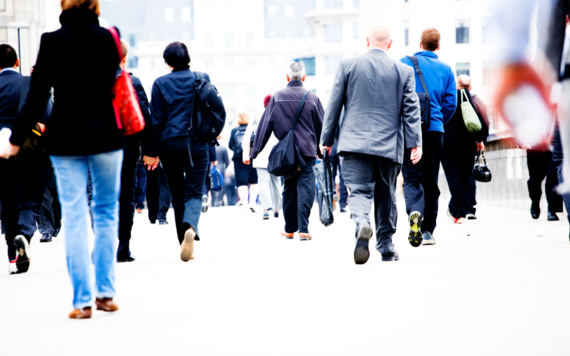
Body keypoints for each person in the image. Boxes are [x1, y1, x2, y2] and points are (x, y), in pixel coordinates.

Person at [0, 0, 123, 318]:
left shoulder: (51, 41)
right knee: (107, 213)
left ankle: (82, 300)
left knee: (76, 215)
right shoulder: (109, 39)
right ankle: (106, 292)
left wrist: (15, 140)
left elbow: (37, 95)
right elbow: (115, 86)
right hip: (107, 137)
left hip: (66, 138)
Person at [321, 24, 422, 264]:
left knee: (358, 190)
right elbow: (411, 110)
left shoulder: (347, 65)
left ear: (366, 42)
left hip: (353, 144)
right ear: (390, 44)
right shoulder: (403, 71)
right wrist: (415, 142)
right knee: (386, 194)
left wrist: (326, 140)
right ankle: (386, 246)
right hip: (389, 145)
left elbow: (334, 104)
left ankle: (362, 223)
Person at [146, 42, 211, 262]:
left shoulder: (160, 83)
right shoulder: (201, 78)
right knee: (194, 192)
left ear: (167, 61)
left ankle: (184, 242)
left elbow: (155, 122)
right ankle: (190, 228)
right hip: (197, 143)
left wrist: (150, 152)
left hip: (169, 144)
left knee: (177, 193)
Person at [251, 61, 324, 241]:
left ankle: (290, 229)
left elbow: (265, 126)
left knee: (289, 188)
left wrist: (255, 151)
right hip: (307, 152)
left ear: (287, 78)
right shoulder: (313, 98)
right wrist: (321, 150)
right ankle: (304, 230)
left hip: (287, 153)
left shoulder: (277, 96)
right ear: (304, 78)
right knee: (306, 189)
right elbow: (323, 126)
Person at [400, 28, 457, 245]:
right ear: (438, 47)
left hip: (409, 130)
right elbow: (450, 104)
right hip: (434, 131)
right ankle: (427, 232)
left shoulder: (404, 63)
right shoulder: (446, 69)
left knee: (412, 176)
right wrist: (438, 120)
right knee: (431, 179)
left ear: (420, 44)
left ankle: (415, 211)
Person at [116, 39, 152, 263]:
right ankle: (123, 247)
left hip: (98, 147)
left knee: (100, 197)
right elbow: (145, 117)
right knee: (126, 196)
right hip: (127, 147)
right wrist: (148, 150)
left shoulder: (90, 79)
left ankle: (102, 245)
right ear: (125, 58)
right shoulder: (131, 81)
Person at [441, 75, 488, 224]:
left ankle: (459, 213)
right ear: (470, 87)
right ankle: (459, 210)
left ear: (455, 86)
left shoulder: (447, 98)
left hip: (447, 143)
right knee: (464, 177)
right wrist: (480, 140)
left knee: (453, 177)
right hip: (468, 144)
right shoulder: (474, 99)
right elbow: (483, 121)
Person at [0, 44, 29, 274]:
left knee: (7, 202)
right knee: (27, 198)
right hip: (27, 147)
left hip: (1, 150)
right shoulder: (27, 84)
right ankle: (25, 235)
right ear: (17, 62)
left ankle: (12, 253)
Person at [243, 95, 282, 220]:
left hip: (260, 154)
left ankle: (266, 209)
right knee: (276, 182)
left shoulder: (256, 116)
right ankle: (277, 208)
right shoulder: (280, 116)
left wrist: (246, 154)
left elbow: (248, 136)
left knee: (263, 182)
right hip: (276, 155)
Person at [229, 113, 259, 211]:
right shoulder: (253, 129)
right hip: (252, 157)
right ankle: (253, 203)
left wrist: (238, 151)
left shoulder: (234, 130)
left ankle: (245, 205)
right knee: (254, 181)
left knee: (241, 183)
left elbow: (230, 145)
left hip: (239, 159)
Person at [212, 135, 230, 207]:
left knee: (212, 184)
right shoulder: (223, 148)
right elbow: (227, 161)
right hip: (221, 168)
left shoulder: (211, 146)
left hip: (211, 167)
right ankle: (220, 200)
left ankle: (213, 201)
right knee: (221, 185)